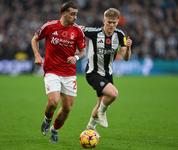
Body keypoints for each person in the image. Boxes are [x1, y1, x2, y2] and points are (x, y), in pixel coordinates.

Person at [31, 1, 86, 143]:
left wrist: (75, 57)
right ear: (64, 14)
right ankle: (47, 119)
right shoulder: (50, 26)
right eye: (72, 14)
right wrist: (37, 55)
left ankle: (54, 131)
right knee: (53, 102)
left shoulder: (77, 31)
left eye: (76, 15)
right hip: (52, 71)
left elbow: (83, 52)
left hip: (69, 73)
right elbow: (34, 39)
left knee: (67, 108)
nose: (75, 18)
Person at [81, 8, 132, 136]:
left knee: (100, 103)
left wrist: (129, 47)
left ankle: (90, 128)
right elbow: (79, 28)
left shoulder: (120, 35)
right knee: (113, 94)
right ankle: (102, 113)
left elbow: (126, 57)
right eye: (109, 22)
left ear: (117, 22)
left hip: (108, 74)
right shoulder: (95, 32)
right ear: (104, 21)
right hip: (93, 73)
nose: (112, 25)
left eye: (114, 23)